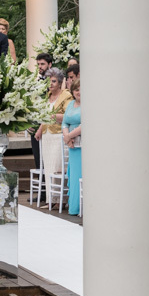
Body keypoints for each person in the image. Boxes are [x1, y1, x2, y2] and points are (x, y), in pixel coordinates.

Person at [34, 68, 70, 192]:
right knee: (48, 167)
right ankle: (50, 199)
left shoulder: (66, 96)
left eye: (54, 81)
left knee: (57, 166)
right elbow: (45, 116)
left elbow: (68, 115)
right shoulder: (48, 96)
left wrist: (54, 117)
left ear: (60, 83)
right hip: (47, 136)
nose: (51, 84)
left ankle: (58, 200)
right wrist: (39, 129)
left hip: (58, 135)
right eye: (49, 81)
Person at [61, 80, 82, 216]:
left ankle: (81, 207)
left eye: (81, 89)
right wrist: (66, 137)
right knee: (74, 175)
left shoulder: (89, 105)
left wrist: (69, 136)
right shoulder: (70, 104)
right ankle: (73, 207)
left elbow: (86, 123)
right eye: (76, 89)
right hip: (72, 145)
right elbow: (64, 122)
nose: (78, 92)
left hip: (83, 145)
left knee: (80, 174)